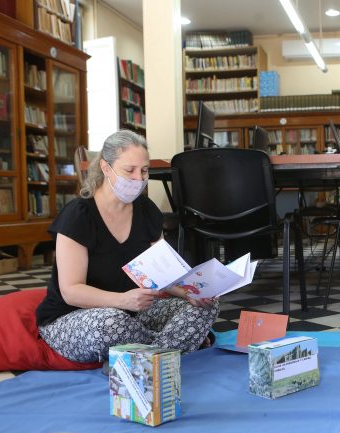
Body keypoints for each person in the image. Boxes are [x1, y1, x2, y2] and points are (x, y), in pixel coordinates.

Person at [36, 130, 219, 364]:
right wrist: (123, 301)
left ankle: (149, 355)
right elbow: (71, 291)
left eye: (144, 171)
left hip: (132, 315)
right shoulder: (78, 216)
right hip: (74, 318)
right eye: (129, 170)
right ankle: (171, 349)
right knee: (110, 324)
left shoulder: (146, 210)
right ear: (105, 168)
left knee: (206, 307)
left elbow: (162, 271)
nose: (138, 179)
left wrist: (191, 293)